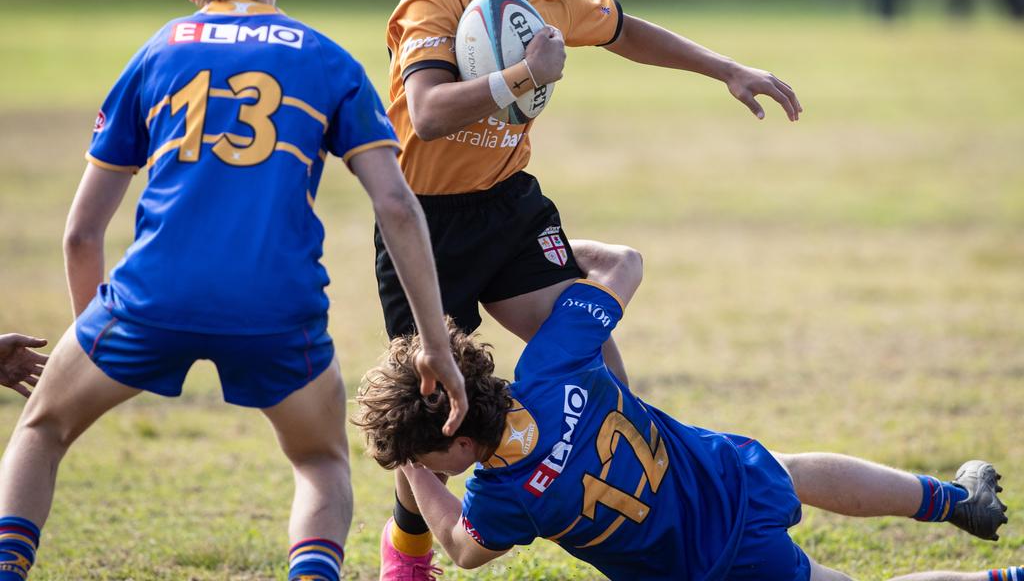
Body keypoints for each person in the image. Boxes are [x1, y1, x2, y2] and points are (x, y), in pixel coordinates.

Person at [0, 0, 467, 581]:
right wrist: (433, 344)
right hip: (276, 305)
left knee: (41, 430)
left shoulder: (156, 53)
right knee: (319, 462)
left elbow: (81, 234)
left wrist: (97, 346)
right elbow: (396, 205)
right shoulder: (328, 61)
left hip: (150, 297)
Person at [374, 0, 802, 575]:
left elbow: (623, 29)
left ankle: (645, 481)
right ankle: (407, 552)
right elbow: (431, 110)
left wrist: (725, 68)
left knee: (590, 343)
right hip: (424, 223)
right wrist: (519, 75)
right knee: (435, 420)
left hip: (507, 208)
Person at [356, 243, 1012, 581]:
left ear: (457, 444)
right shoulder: (551, 364)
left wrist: (415, 474)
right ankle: (954, 502)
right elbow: (623, 263)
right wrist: (521, 264)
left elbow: (464, 549)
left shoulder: (505, 495)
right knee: (795, 469)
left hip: (708, 564)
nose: (428, 468)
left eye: (426, 454)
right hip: (719, 475)